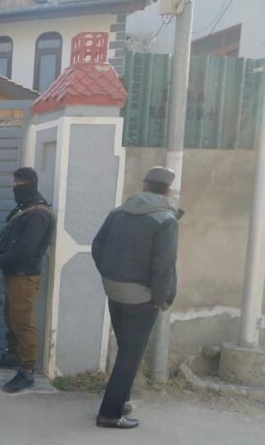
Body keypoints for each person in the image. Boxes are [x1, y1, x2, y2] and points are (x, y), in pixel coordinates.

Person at [91, 166, 180, 429]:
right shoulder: (166, 219)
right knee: (130, 355)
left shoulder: (117, 212)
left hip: (114, 291)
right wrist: (161, 300)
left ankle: (122, 400)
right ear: (168, 191)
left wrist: (110, 276)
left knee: (126, 350)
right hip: (142, 298)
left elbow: (97, 246)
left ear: (143, 186)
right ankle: (109, 414)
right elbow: (164, 267)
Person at [0, 167, 55, 393]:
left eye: (17, 186)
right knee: (11, 317)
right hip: (15, 273)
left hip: (24, 275)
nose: (14, 190)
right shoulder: (27, 210)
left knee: (22, 322)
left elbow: (25, 250)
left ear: (27, 185)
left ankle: (27, 371)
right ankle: (14, 356)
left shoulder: (38, 214)